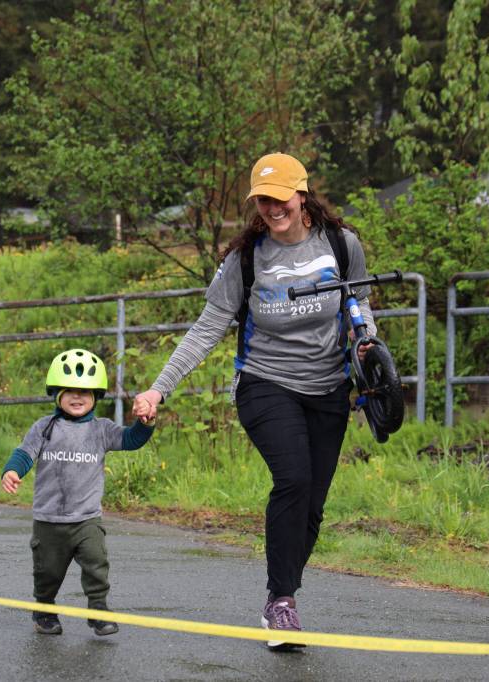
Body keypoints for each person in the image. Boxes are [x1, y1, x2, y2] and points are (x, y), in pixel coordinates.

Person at [133, 152, 376, 651]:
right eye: (262, 199)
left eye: (280, 197)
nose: (271, 207)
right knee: (293, 479)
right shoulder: (247, 259)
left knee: (312, 506)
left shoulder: (340, 245)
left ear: (302, 195)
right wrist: (159, 387)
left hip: (330, 386)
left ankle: (277, 594)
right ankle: (282, 604)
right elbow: (206, 330)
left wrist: (367, 344)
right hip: (266, 383)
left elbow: (359, 304)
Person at [2, 348, 155, 636]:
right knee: (47, 573)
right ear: (57, 393)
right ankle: (44, 610)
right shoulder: (44, 427)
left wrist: (146, 424)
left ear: (96, 396)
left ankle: (98, 610)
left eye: (85, 392)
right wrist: (12, 471)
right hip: (49, 519)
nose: (77, 397)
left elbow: (131, 440)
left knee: (97, 565)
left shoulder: (102, 429)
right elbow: (24, 453)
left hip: (87, 519)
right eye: (70, 390)